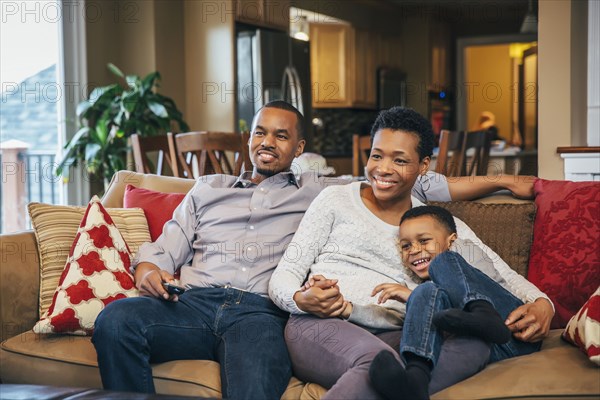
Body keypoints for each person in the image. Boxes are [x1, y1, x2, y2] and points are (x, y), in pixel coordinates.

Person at [268, 106, 553, 400]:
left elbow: (501, 273)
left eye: (400, 160)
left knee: (474, 345)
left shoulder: (435, 224)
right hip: (321, 323)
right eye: (377, 155)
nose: (383, 169)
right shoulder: (335, 199)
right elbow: (283, 277)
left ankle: (409, 389)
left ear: (423, 165)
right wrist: (302, 300)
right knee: (376, 364)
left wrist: (543, 303)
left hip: (395, 330)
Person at [369, 205, 542, 400]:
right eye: (406, 246)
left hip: (512, 328)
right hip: (489, 347)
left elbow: (485, 282)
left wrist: (542, 302)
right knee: (426, 291)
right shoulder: (421, 285)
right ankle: (415, 378)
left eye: (424, 241)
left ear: (451, 240)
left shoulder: (463, 252)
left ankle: (483, 312)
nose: (415, 250)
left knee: (442, 263)